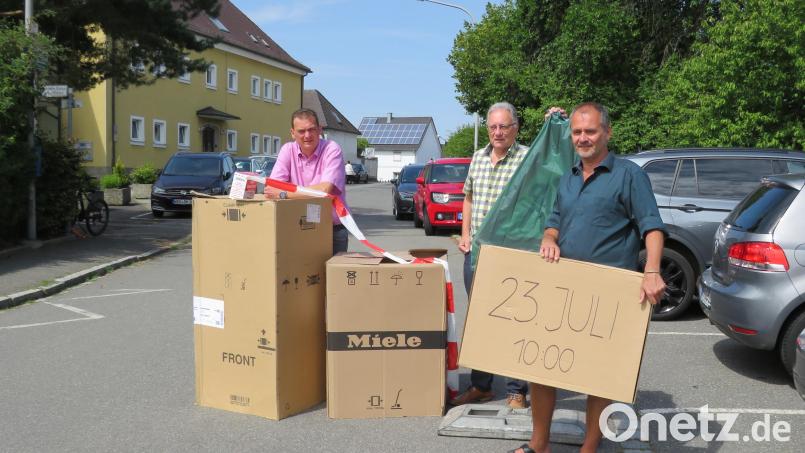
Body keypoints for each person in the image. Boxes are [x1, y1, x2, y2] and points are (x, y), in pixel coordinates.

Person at [510, 102, 667, 453]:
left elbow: (652, 226)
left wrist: (652, 270)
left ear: (607, 133)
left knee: (598, 375)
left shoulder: (629, 175)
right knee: (541, 369)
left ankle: (589, 448)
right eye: (578, 132)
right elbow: (553, 222)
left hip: (608, 293)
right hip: (563, 288)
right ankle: (538, 445)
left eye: (591, 131)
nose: (583, 138)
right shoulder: (567, 177)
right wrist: (548, 239)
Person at [452, 102, 532, 409]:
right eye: (493, 127)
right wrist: (466, 234)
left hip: (511, 253)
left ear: (516, 128)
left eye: (504, 127)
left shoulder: (527, 158)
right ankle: (481, 386)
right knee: (480, 321)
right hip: (477, 254)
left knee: (514, 319)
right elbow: (468, 197)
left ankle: (516, 389)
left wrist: (559, 126)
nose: (498, 133)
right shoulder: (478, 157)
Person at [265, 108, 348, 255]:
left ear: (320, 130)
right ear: (292, 133)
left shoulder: (331, 149)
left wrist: (284, 194)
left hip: (331, 230)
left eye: (311, 129)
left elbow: (324, 191)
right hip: (296, 228)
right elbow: (272, 188)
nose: (307, 135)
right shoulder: (287, 150)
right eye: (301, 131)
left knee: (331, 278)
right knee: (299, 277)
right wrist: (311, 191)